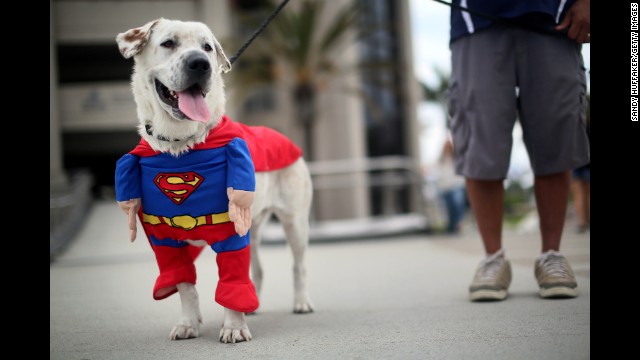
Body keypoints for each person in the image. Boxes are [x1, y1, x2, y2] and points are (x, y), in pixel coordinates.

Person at [447, 0, 590, 301]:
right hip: (476, 18)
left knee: (555, 134)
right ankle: (492, 258)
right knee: (480, 139)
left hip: (555, 16)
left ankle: (551, 254)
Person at [436, 135, 467, 234]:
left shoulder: (457, 159)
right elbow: (435, 171)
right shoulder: (441, 161)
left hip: (456, 185)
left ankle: (458, 223)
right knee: (449, 208)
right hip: (445, 187)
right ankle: (451, 227)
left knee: (457, 204)